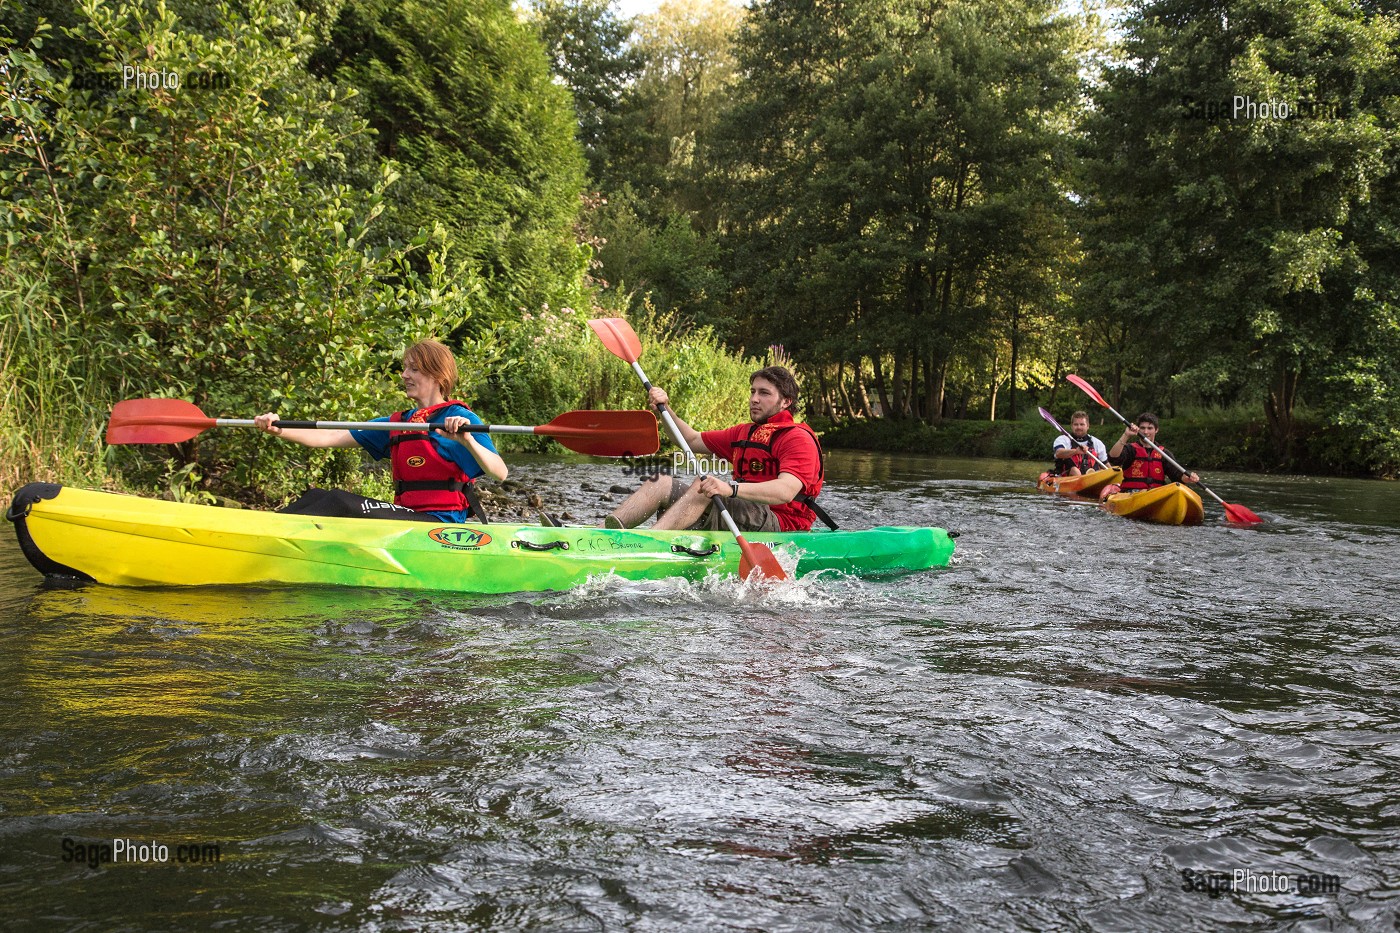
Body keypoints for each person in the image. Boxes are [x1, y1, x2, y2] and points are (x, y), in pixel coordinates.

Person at [253, 339, 508, 522]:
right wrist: (279, 429)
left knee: (341, 502)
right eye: (405, 368)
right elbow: (327, 436)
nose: (404, 375)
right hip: (409, 516)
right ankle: (267, 533)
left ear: (437, 376)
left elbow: (500, 472)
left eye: (414, 369)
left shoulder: (461, 419)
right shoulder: (398, 423)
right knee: (317, 496)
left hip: (441, 525)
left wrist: (467, 441)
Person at [604, 366, 827, 532]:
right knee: (661, 482)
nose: (754, 399)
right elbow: (690, 440)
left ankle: (651, 543)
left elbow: (785, 491)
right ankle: (605, 534)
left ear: (786, 402)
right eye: (753, 392)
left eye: (764, 393)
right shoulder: (744, 433)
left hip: (782, 525)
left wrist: (730, 489)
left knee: (705, 487)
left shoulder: (797, 438)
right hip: (744, 512)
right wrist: (664, 410)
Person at [1101, 412, 1199, 497]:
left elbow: (1176, 475)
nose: (1146, 432)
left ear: (1156, 430)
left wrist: (1187, 478)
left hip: (1155, 494)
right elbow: (1113, 457)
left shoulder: (1163, 453)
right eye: (1142, 428)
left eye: (1150, 428)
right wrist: (1126, 435)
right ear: (1138, 429)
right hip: (1131, 494)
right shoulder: (1131, 449)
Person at [1052, 411, 1109, 477]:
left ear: (1088, 426)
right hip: (1067, 479)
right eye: (1076, 424)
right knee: (1075, 471)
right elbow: (1058, 453)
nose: (1079, 427)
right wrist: (1075, 451)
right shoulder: (1063, 439)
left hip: (1091, 478)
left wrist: (1114, 474)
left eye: (1082, 424)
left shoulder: (1097, 443)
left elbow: (1105, 464)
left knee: (1102, 472)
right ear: (1071, 426)